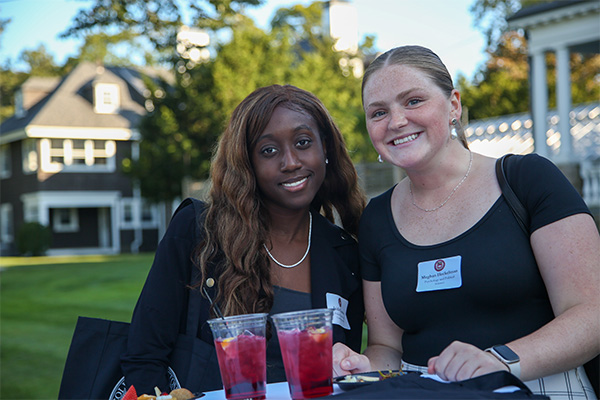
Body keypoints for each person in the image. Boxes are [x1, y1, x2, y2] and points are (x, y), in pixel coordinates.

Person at [332, 45, 600, 399]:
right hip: (422, 393)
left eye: (413, 101)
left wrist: (499, 361)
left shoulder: (527, 180)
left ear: (454, 106)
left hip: (538, 386)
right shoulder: (377, 217)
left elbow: (591, 315)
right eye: (378, 112)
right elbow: (387, 347)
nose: (396, 121)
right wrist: (364, 369)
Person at [121, 84, 366, 395]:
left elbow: (344, 372)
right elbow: (144, 357)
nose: (291, 162)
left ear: (326, 148)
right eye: (268, 150)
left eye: (303, 142)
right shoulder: (198, 233)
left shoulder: (345, 254)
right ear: (246, 163)